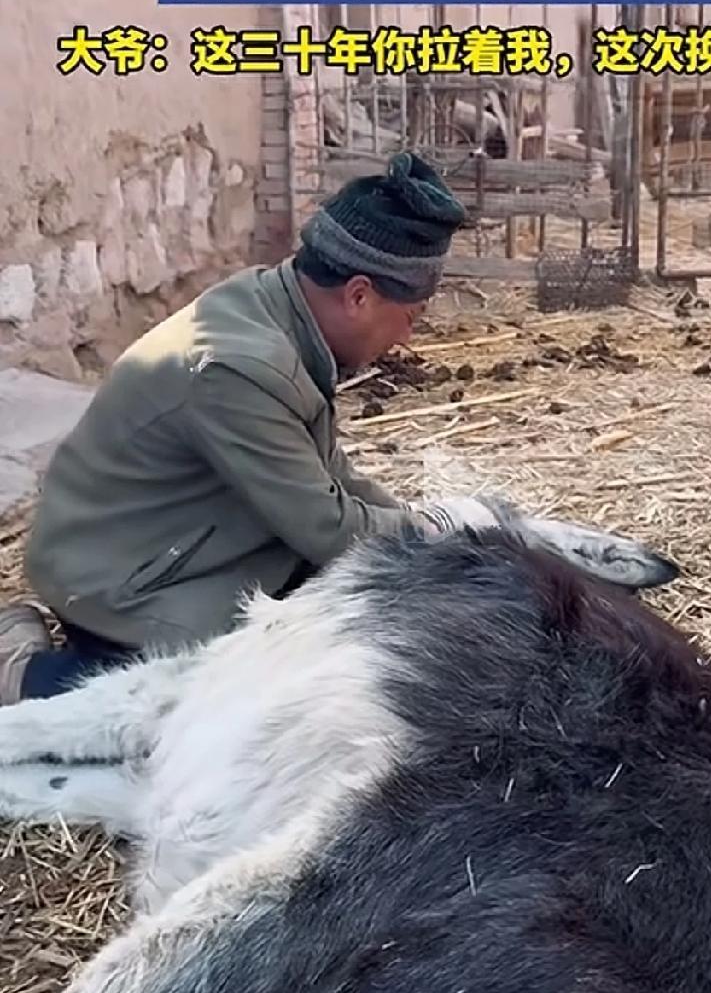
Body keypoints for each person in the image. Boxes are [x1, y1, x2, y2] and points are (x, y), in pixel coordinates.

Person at [0, 150, 469, 705]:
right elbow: (328, 529)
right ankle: (24, 675)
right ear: (359, 295)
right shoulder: (242, 367)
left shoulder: (275, 307)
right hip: (120, 579)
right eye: (411, 318)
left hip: (169, 542)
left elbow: (331, 479)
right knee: (222, 708)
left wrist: (423, 528)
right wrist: (431, 535)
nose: (407, 339)